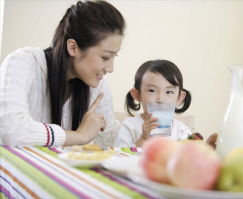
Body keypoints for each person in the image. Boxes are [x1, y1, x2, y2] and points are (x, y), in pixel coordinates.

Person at [0, 0, 126, 148]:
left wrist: (142, 133)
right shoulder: (22, 62)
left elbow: (112, 144)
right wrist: (79, 136)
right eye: (105, 58)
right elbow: (12, 131)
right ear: (73, 47)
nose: (110, 68)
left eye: (113, 57)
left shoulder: (97, 84)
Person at [114, 60, 193, 147]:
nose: (161, 99)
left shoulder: (183, 130)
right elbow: (120, 157)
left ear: (179, 98)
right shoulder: (130, 126)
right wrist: (144, 139)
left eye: (169, 92)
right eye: (152, 90)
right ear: (137, 95)